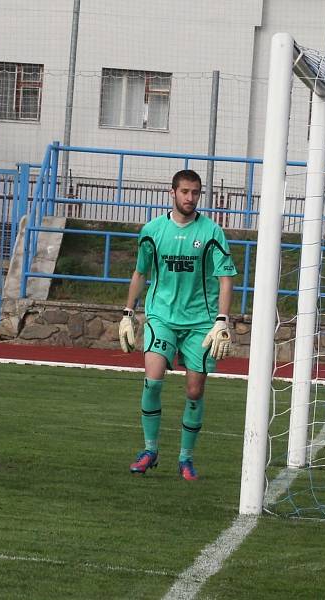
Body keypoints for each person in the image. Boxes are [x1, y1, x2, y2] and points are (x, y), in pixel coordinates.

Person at [118, 169, 236, 481]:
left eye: (195, 192)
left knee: (195, 391)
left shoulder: (212, 232)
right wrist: (128, 312)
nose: (190, 198)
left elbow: (226, 279)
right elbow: (140, 272)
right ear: (172, 193)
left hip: (201, 323)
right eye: (184, 192)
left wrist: (222, 320)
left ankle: (185, 458)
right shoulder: (153, 231)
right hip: (161, 317)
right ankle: (150, 450)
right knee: (153, 380)